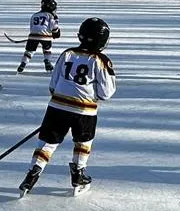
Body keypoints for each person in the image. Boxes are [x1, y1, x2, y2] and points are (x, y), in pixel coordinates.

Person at [19, 16, 116, 197]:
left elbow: (53, 84)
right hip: (84, 111)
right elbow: (106, 92)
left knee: (47, 142)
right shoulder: (100, 60)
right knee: (83, 142)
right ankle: (78, 174)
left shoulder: (67, 54)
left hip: (56, 108)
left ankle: (32, 174)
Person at [18, 0, 61, 72]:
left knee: (29, 51)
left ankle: (23, 63)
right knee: (47, 49)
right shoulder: (50, 16)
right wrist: (56, 33)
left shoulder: (34, 15)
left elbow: (32, 26)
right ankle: (47, 61)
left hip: (33, 36)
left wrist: (33, 35)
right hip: (45, 36)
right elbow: (53, 26)